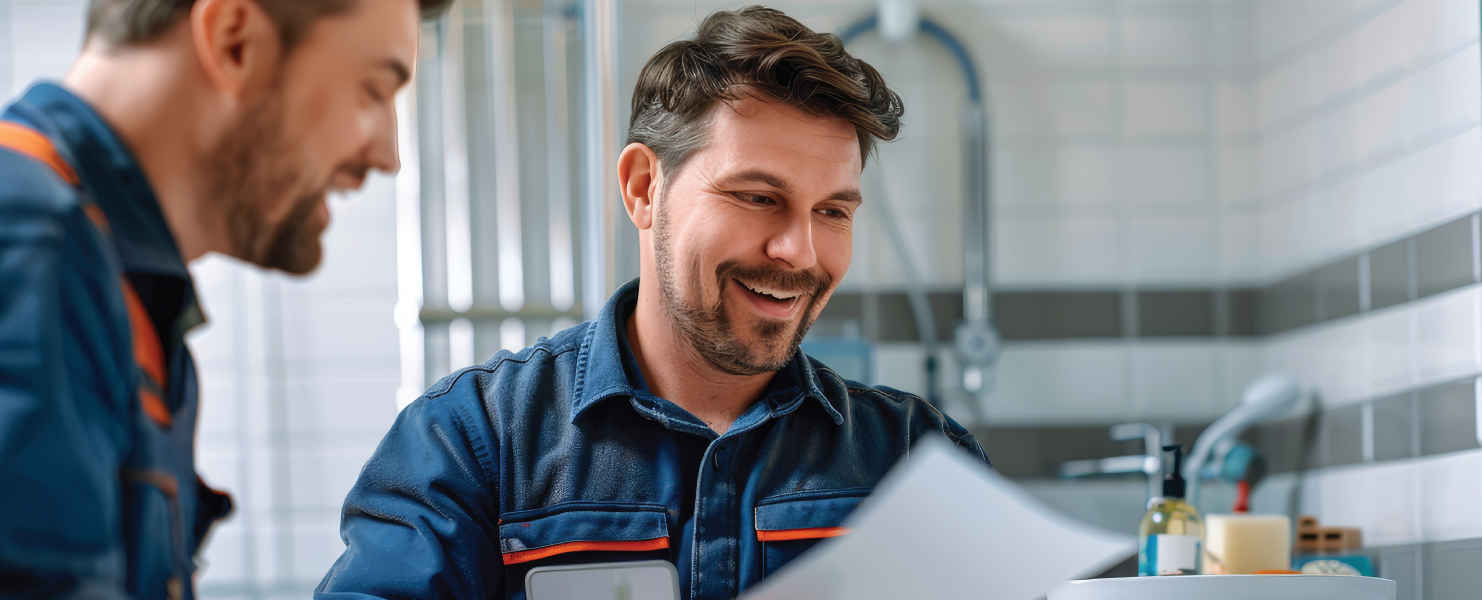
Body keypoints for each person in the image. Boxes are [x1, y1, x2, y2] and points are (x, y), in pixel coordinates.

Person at [316, 6, 987, 600]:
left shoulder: (914, 459)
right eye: (758, 197)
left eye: (833, 211)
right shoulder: (472, 444)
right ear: (642, 187)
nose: (799, 251)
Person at [0, 0, 448, 597]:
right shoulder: (13, 247)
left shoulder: (108, 281)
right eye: (371, 92)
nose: (386, 154)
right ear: (234, 40)